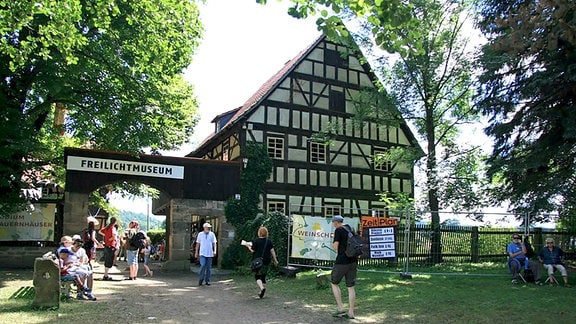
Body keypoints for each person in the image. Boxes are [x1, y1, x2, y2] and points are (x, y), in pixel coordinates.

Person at [330, 215, 357, 319]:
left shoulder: (338, 230)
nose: (333, 225)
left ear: (336, 222)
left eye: (334, 223)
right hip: (353, 261)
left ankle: (340, 308)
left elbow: (335, 246)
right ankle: (351, 312)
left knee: (334, 283)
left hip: (342, 261)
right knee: (351, 287)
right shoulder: (350, 229)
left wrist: (335, 243)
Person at [245, 226, 279, 298]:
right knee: (263, 276)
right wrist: (275, 260)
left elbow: (253, 250)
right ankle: (261, 292)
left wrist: (248, 246)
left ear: (259, 233)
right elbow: (272, 251)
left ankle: (262, 288)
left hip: (258, 261)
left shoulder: (256, 240)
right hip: (267, 260)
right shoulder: (268, 241)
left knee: (257, 276)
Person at [70, 236, 97, 300]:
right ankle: (80, 292)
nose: (78, 248)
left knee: (89, 272)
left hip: (78, 266)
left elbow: (81, 261)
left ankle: (89, 292)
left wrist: (79, 264)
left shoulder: (82, 250)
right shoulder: (68, 250)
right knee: (83, 272)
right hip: (71, 268)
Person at [99, 217, 118, 281]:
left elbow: (100, 231)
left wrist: (106, 236)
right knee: (109, 260)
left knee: (107, 260)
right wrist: (111, 238)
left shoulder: (107, 227)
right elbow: (114, 236)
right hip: (111, 245)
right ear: (115, 222)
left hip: (106, 245)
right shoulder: (113, 228)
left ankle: (106, 274)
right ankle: (106, 275)